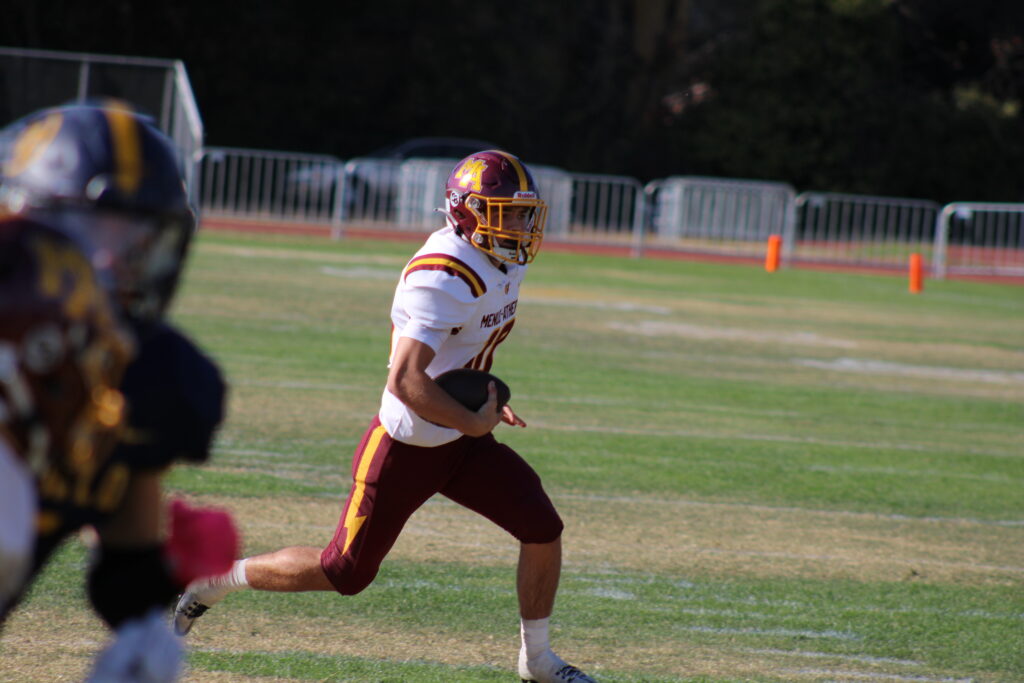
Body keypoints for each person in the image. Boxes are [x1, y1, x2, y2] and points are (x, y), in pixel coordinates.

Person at [174, 150, 598, 682]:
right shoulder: (444, 275)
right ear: (466, 212)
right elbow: (406, 381)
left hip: (459, 439)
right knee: (344, 572)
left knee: (541, 526)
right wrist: (469, 421)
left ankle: (535, 660)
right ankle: (217, 579)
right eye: (504, 212)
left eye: (521, 212)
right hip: (409, 442)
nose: (518, 224)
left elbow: (456, 354)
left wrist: (481, 395)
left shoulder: (498, 259)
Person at [0, 101, 237, 682]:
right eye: (84, 233)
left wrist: (150, 614)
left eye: (136, 240)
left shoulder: (152, 376)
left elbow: (124, 570)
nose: (108, 259)